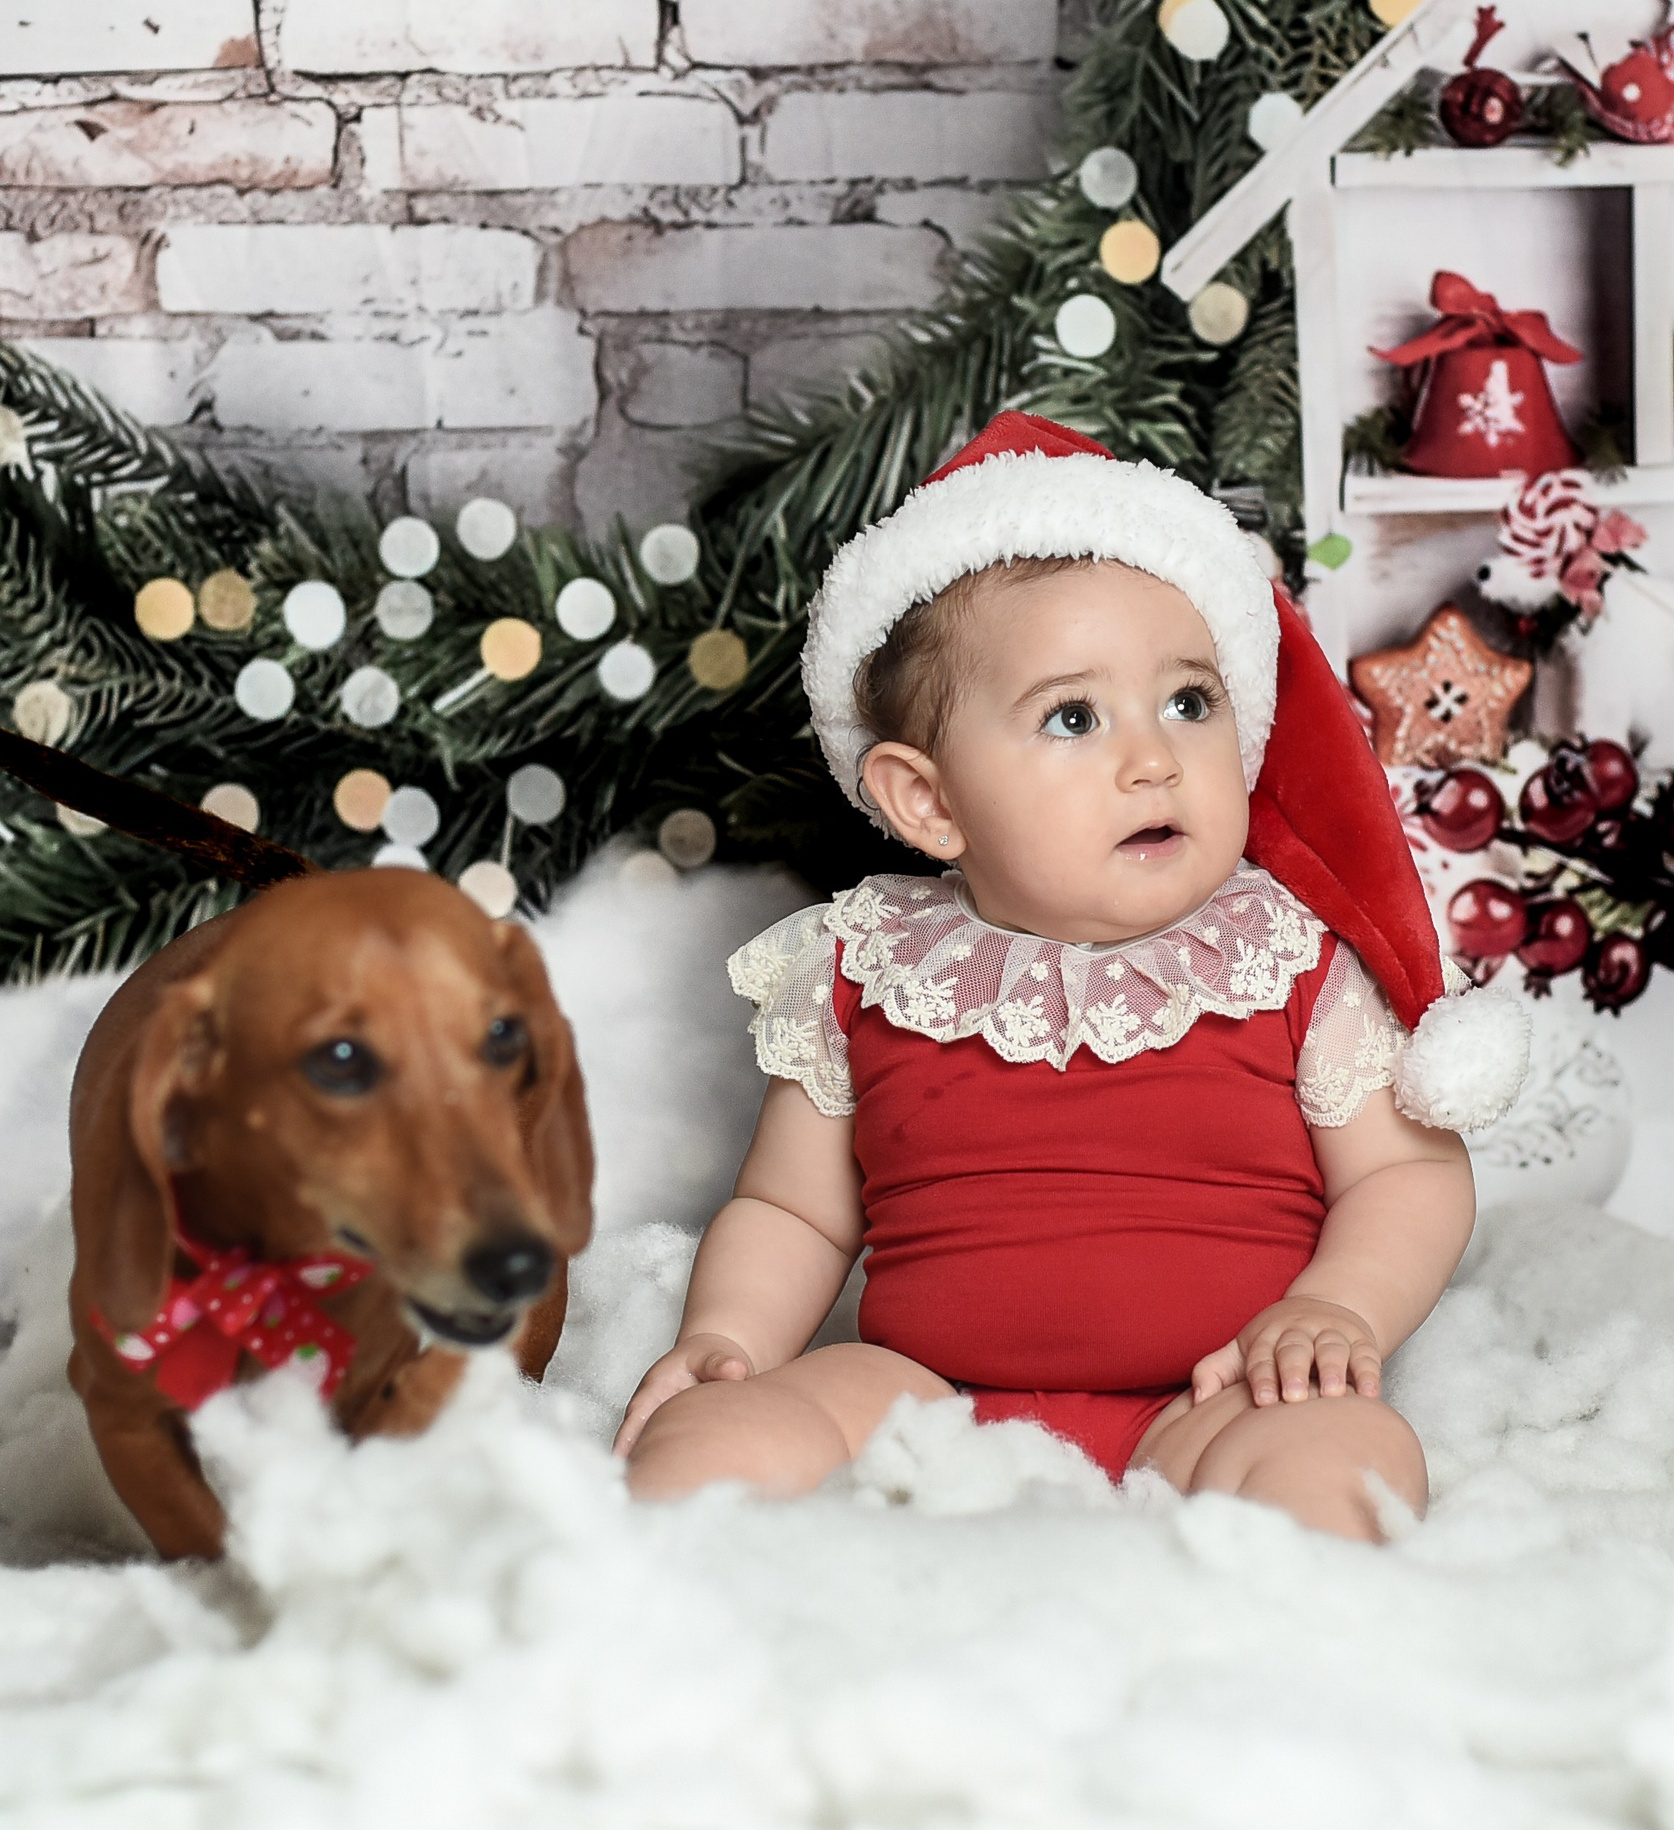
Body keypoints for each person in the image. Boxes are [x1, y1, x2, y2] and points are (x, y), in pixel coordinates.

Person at [611, 414, 1529, 1540]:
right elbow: (791, 1207)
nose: (1154, 758)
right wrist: (729, 1338)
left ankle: (1276, 1622)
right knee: (716, 1440)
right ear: (929, 802)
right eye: (1073, 716)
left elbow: (1405, 1173)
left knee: (1346, 1458)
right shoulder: (870, 965)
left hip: (1214, 1395)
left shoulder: (1285, 956)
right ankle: (714, 1595)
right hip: (928, 1397)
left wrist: (1338, 1306)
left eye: (1190, 701)